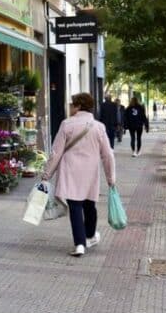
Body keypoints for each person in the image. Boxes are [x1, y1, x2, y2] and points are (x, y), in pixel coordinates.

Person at [41, 93, 116, 257]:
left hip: (70, 172)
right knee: (90, 205)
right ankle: (89, 236)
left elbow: (56, 152)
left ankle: (80, 244)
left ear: (78, 106)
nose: (70, 107)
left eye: (72, 104)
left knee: (75, 207)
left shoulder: (66, 124)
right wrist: (111, 178)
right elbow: (107, 154)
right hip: (90, 174)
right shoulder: (99, 127)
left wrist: (47, 173)